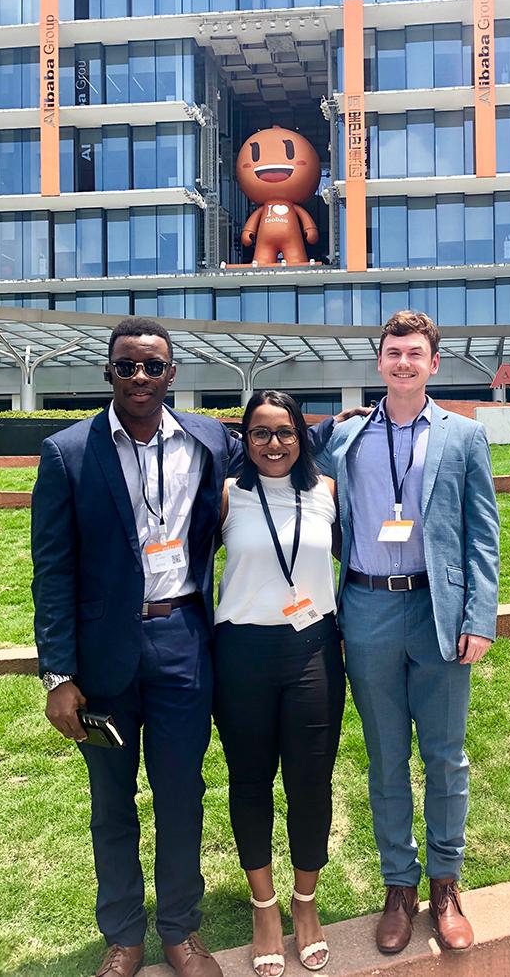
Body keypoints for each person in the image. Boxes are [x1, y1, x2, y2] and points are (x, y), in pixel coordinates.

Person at [31, 318, 361, 977]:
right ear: (109, 373)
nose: (141, 378)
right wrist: (57, 675)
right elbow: (51, 569)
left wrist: (329, 427)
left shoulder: (207, 438)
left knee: (182, 794)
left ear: (171, 374)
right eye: (127, 366)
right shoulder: (68, 452)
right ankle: (123, 938)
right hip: (104, 662)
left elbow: (276, 442)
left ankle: (181, 931)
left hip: (184, 643)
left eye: (153, 366)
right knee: (111, 803)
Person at [315, 310, 500, 955]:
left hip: (437, 611)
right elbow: (275, 450)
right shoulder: (347, 437)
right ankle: (400, 886)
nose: (402, 363)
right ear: (379, 362)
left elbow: (484, 534)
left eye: (414, 353)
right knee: (385, 757)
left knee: (445, 756)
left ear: (433, 363)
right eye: (392, 352)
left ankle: (446, 882)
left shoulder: (462, 437)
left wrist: (480, 616)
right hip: (365, 607)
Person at [212, 391, 344, 977]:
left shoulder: (326, 494)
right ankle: (265, 910)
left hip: (312, 648)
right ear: (245, 438)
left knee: (311, 783)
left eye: (285, 431)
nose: (274, 443)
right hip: (241, 653)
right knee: (250, 781)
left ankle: (305, 904)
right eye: (260, 432)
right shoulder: (226, 496)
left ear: (302, 436)